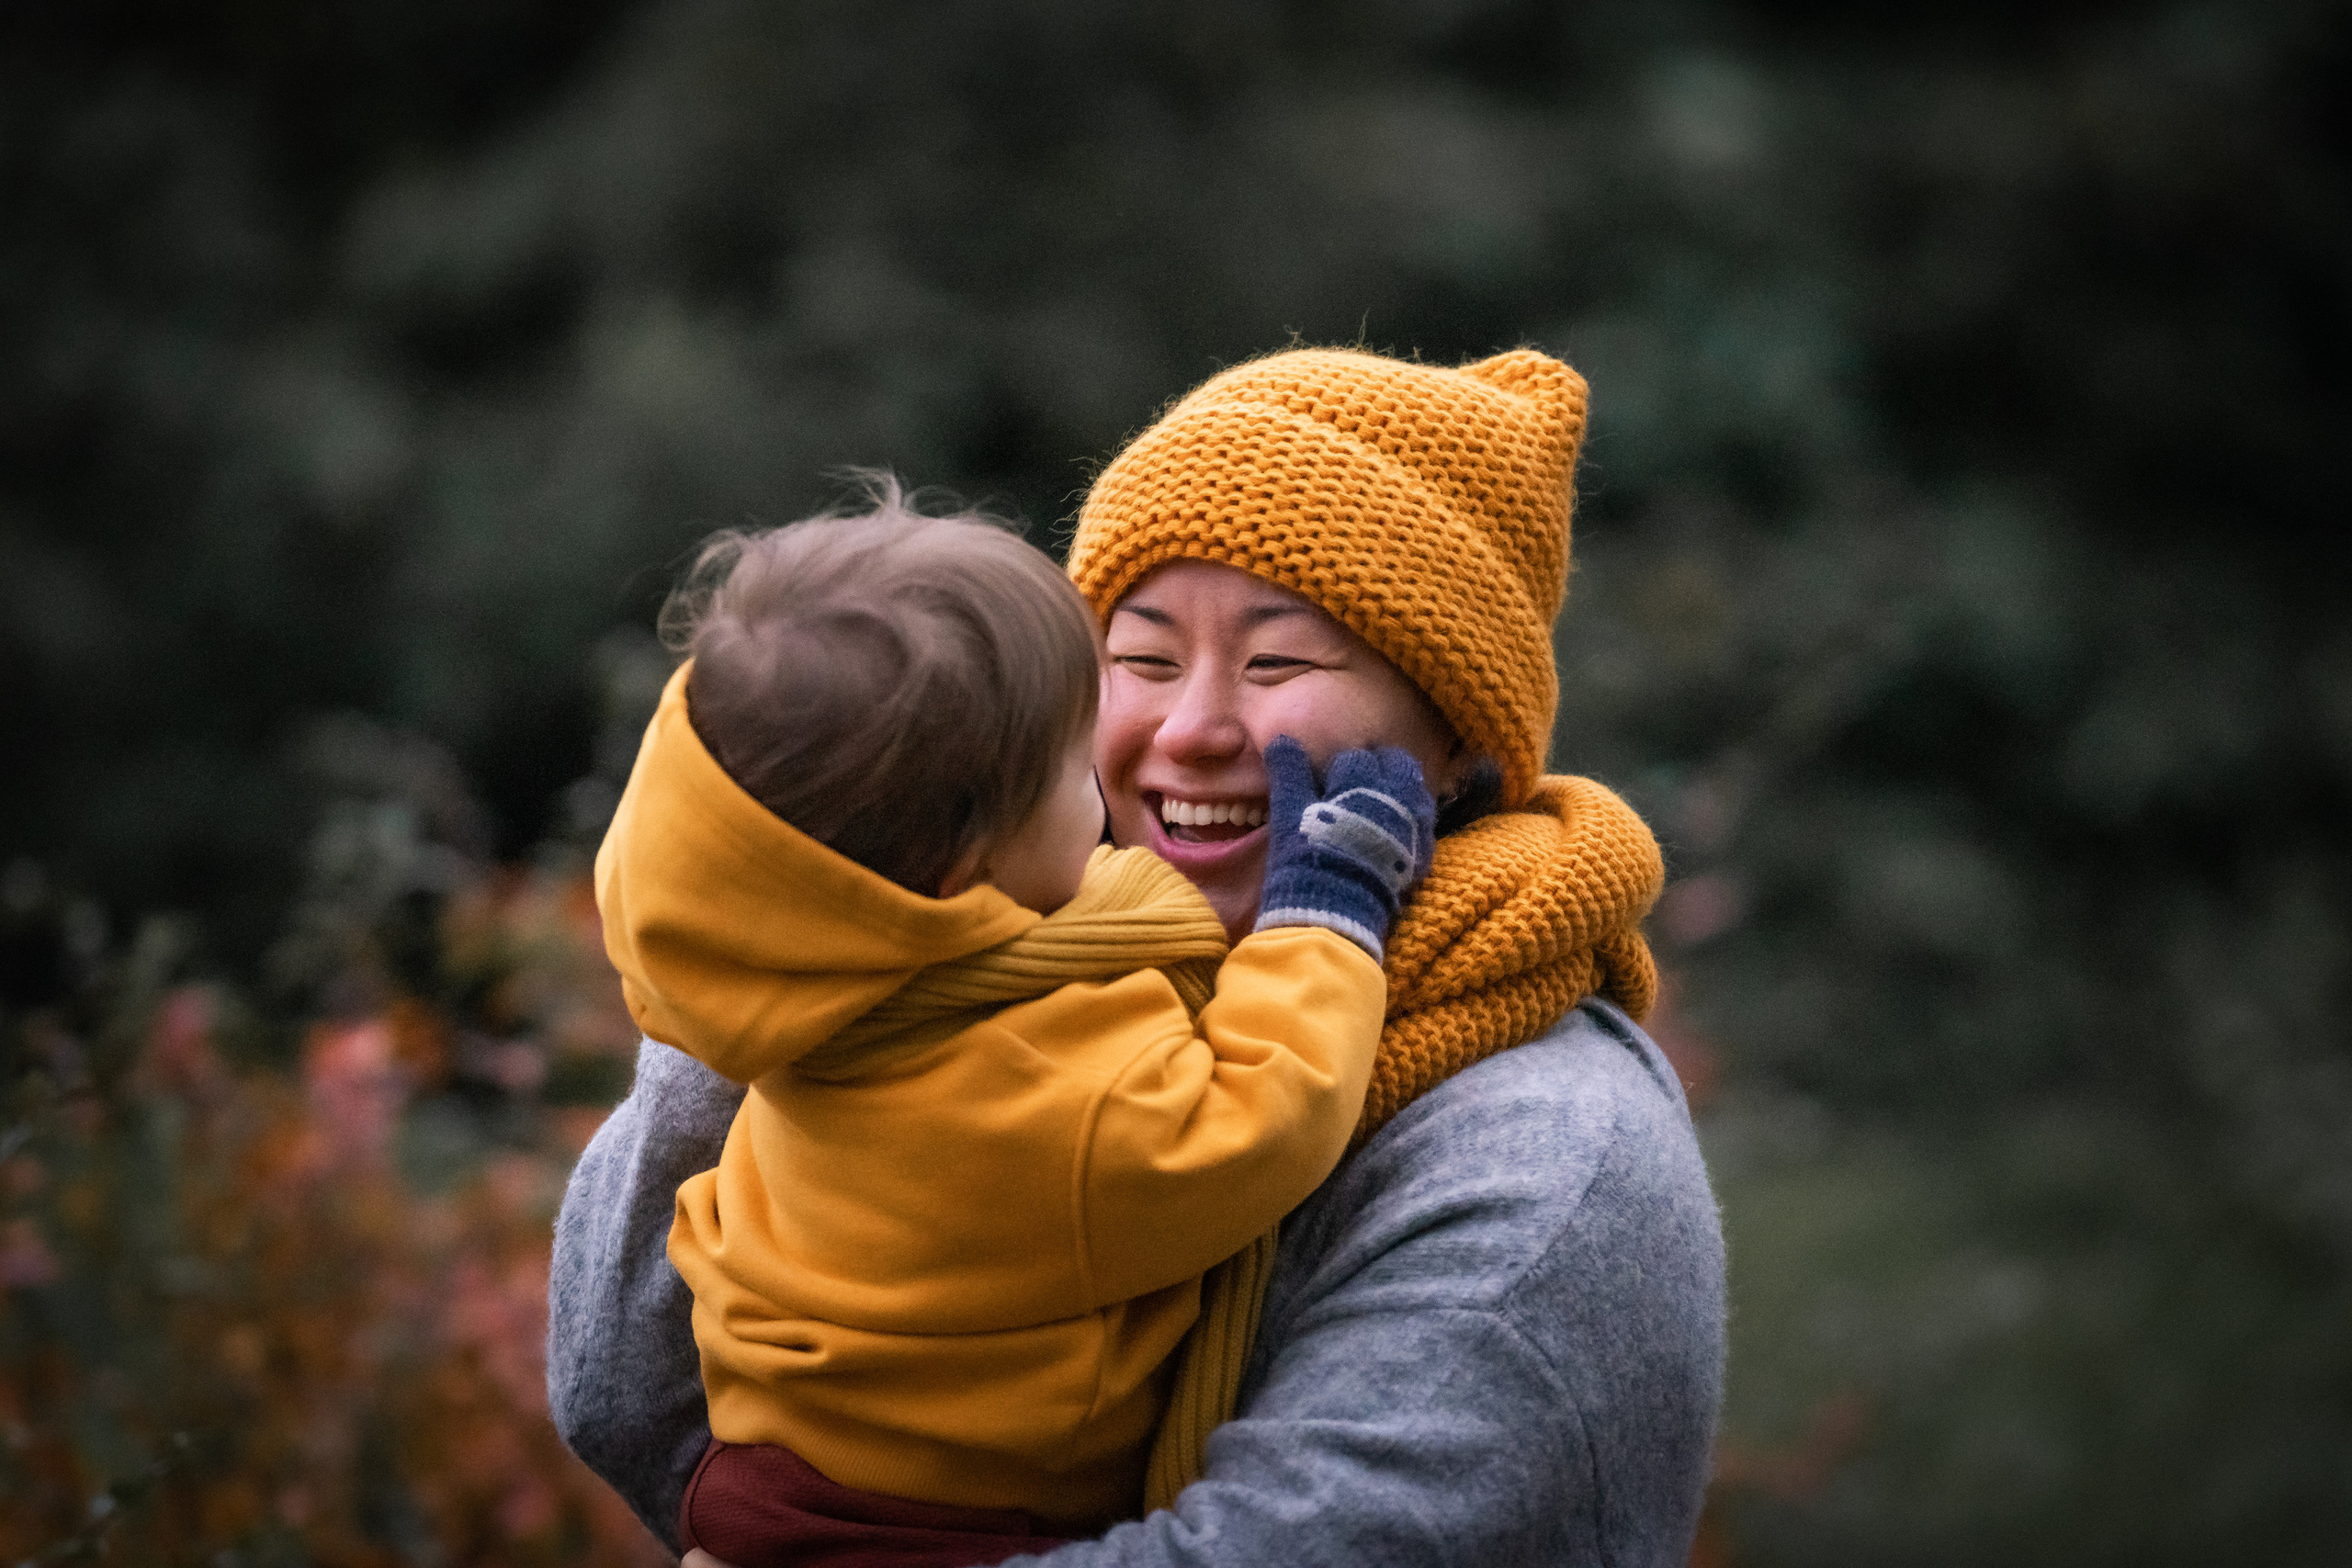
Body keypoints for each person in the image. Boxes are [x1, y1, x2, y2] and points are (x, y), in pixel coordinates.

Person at [549, 346, 1728, 1567]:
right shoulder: (960, 963)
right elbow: (621, 1390)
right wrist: (807, 903)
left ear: (1455, 737)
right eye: (1142, 657)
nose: (1192, 727)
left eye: (1278, 663)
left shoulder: (1548, 1158)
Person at [596, 499, 1441, 1563]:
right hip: (926, 1534)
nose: (1108, 775)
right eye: (1066, 768)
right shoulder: (1040, 1093)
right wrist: (1327, 904)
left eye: (1277, 661)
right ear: (962, 868)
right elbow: (1267, 1112)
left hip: (761, 1481)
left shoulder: (808, 985)